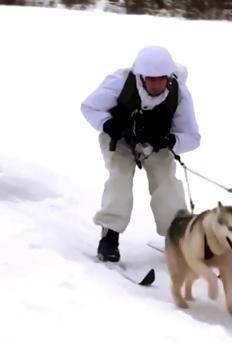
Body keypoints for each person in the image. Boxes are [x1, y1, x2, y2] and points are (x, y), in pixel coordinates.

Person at [81, 46, 200, 262]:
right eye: (150, 79)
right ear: (141, 76)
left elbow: (192, 136)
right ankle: (110, 235)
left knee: (166, 182)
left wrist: (171, 140)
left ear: (169, 78)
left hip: (156, 145)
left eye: (161, 79)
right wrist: (109, 125)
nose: (156, 84)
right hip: (119, 140)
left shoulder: (179, 94)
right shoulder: (120, 83)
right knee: (120, 178)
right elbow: (89, 107)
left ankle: (178, 236)